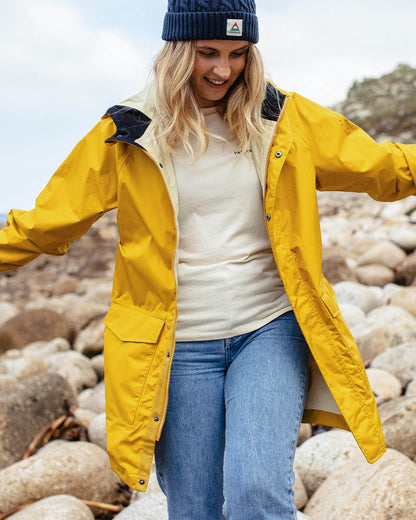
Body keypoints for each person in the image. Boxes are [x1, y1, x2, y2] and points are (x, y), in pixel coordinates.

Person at [1, 0, 416, 518]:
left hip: (268, 328)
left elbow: (380, 167)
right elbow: (48, 220)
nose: (224, 69)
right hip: (178, 346)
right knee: (195, 508)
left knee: (256, 491)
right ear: (178, 50)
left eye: (238, 53)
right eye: (208, 53)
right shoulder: (128, 131)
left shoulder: (283, 119)